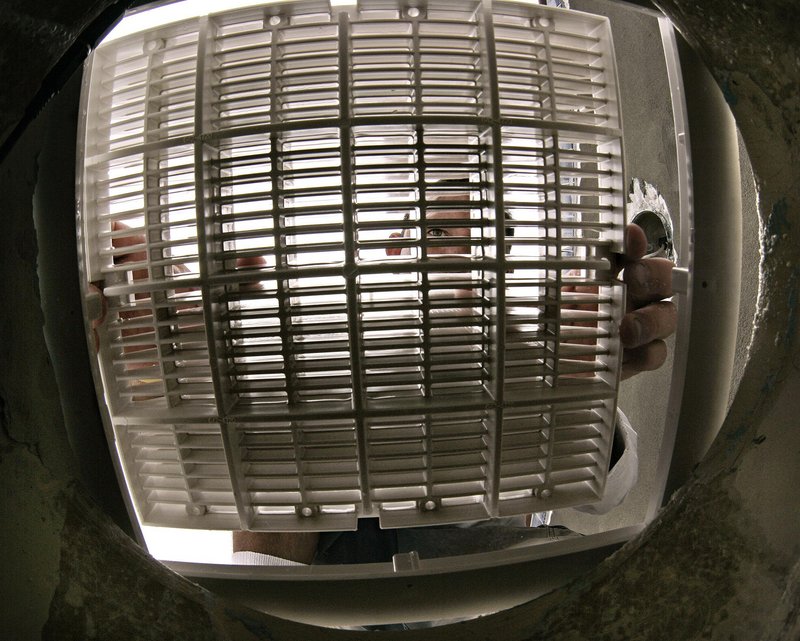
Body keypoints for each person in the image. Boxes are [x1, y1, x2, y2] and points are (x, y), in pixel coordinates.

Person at [231, 199, 677, 567]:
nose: (459, 264)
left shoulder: (519, 361)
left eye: (484, 247)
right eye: (438, 237)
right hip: (341, 579)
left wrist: (579, 402)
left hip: (497, 577)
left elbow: (609, 492)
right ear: (394, 249)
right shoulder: (328, 341)